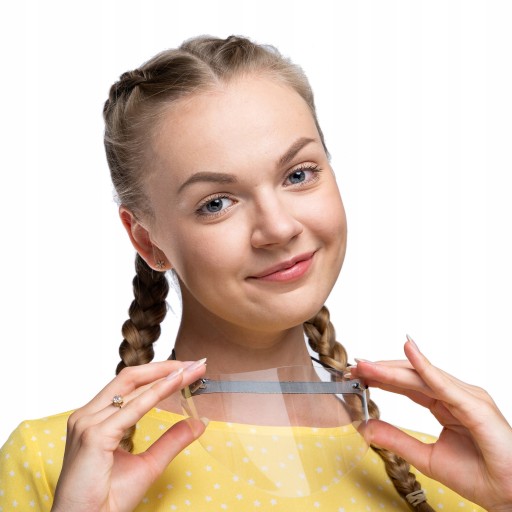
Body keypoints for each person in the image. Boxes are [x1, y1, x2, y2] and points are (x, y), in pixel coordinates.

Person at [1, 35, 511, 512]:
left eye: (298, 174)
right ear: (146, 241)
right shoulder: (56, 467)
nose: (279, 227)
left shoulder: (462, 478)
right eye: (216, 203)